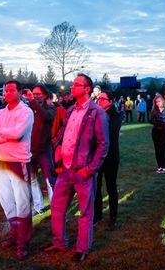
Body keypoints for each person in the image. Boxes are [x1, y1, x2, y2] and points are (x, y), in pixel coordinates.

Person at [42, 73, 109, 263]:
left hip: (83, 172)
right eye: (73, 84)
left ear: (87, 89)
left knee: (85, 213)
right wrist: (58, 160)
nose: (72, 87)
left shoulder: (97, 112)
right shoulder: (71, 109)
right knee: (56, 207)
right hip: (65, 170)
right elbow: (63, 136)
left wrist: (90, 169)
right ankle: (60, 242)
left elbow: (103, 145)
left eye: (76, 84)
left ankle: (82, 248)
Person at [0, 80, 34, 260]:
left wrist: (2, 132)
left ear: (20, 92)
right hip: (2, 162)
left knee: (22, 203)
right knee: (7, 202)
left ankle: (24, 242)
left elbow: (17, 134)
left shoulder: (26, 112)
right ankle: (15, 236)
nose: (6, 93)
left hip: (18, 161)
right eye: (5, 90)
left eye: (11, 90)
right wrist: (7, 133)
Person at [24, 84, 56, 215]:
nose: (36, 96)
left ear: (45, 95)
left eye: (38, 94)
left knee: (50, 179)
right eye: (34, 94)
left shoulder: (50, 108)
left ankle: (55, 206)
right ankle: (38, 206)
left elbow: (46, 116)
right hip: (30, 150)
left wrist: (32, 101)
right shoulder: (28, 109)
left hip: (43, 150)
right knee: (32, 179)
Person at [94, 90, 122, 230]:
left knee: (111, 187)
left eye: (103, 99)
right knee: (96, 187)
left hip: (110, 156)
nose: (100, 101)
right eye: (99, 99)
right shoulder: (96, 113)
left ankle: (113, 217)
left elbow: (106, 132)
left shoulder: (116, 115)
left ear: (111, 101)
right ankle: (97, 215)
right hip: (97, 157)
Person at [150, 94, 165, 174]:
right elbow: (150, 120)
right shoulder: (154, 110)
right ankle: (159, 166)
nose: (158, 103)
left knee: (162, 148)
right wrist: (161, 121)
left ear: (162, 101)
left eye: (159, 101)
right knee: (157, 149)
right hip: (155, 132)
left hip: (164, 132)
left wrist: (157, 120)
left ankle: (163, 167)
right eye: (156, 102)